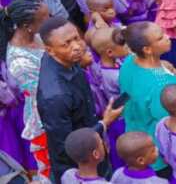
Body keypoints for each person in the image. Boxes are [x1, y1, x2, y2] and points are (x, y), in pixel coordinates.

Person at [36, 17, 123, 182]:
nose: (76, 47)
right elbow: (66, 146)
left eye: (76, 38)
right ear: (50, 50)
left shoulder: (66, 58)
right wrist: (104, 123)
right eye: (66, 44)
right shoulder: (56, 96)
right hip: (80, 166)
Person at [117, 21, 176, 178]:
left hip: (134, 137)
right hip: (156, 151)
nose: (167, 38)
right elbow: (170, 121)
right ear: (147, 49)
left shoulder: (129, 61)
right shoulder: (163, 82)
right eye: (160, 38)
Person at [2, 0, 50, 178]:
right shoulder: (19, 62)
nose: (49, 20)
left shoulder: (36, 36)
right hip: (39, 115)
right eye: (44, 18)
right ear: (27, 25)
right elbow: (41, 93)